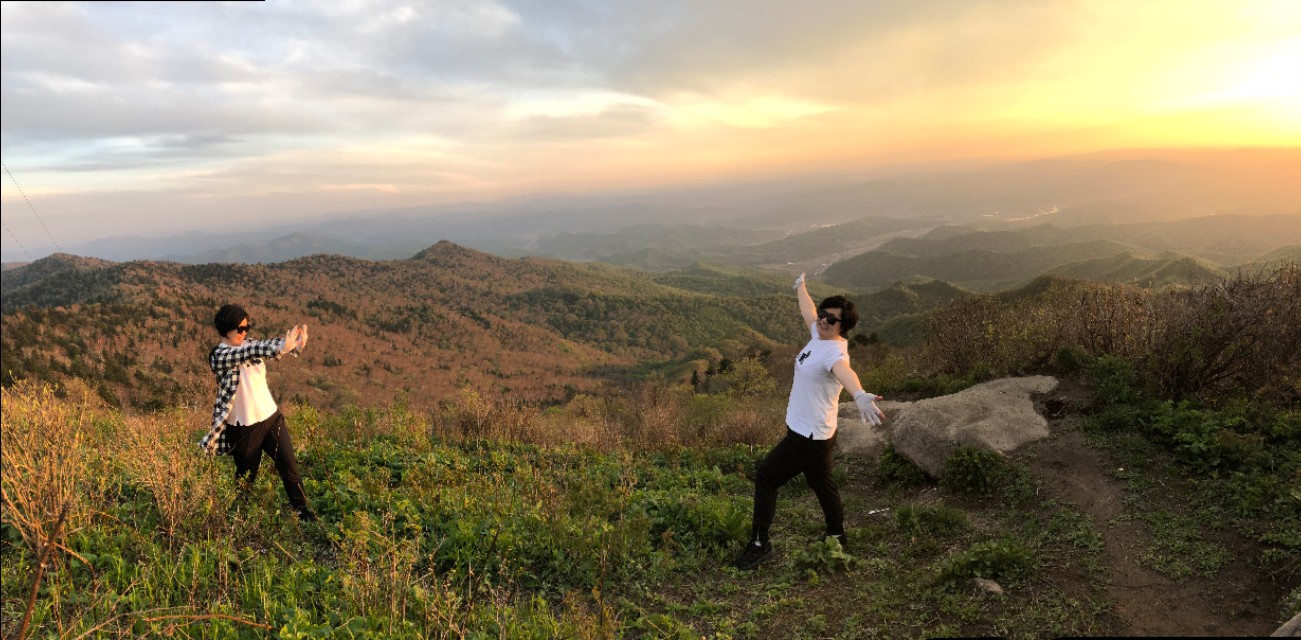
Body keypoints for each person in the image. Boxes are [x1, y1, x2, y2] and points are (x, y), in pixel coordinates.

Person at [732, 273, 885, 570]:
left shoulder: (834, 353)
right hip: (820, 431)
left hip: (807, 435)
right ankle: (837, 535)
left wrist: (859, 393)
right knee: (821, 481)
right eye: (824, 315)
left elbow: (844, 372)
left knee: (766, 477)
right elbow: (808, 312)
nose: (823, 321)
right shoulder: (819, 334)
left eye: (831, 319)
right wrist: (800, 286)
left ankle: (760, 544)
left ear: (844, 328)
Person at [198, 304, 316, 521]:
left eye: (247, 328)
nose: (245, 333)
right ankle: (238, 520)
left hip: (270, 418)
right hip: (244, 428)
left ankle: (304, 514)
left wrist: (293, 345)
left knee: (289, 467)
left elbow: (265, 345)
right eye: (240, 329)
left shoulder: (249, 344)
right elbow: (249, 352)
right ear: (226, 329)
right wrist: (280, 348)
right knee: (246, 478)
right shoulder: (219, 355)